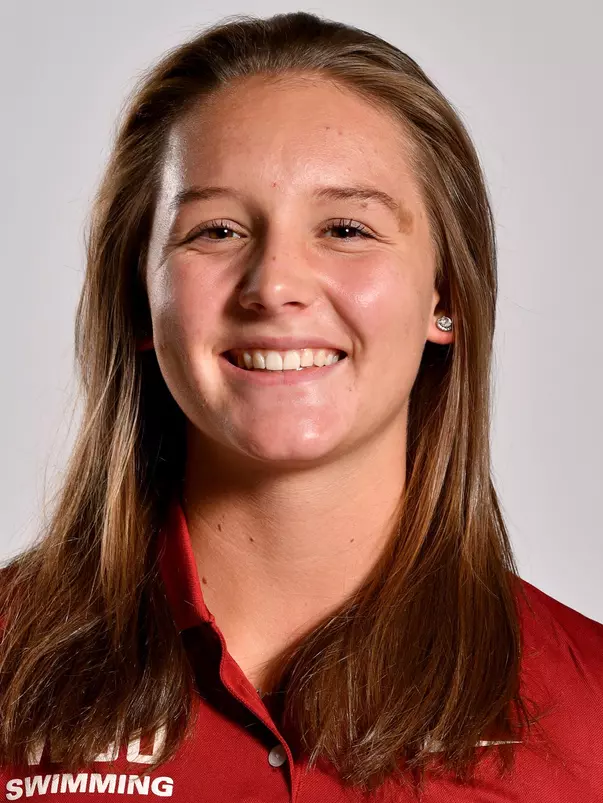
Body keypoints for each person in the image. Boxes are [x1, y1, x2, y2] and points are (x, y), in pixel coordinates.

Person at [0, 10, 601, 802]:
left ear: (444, 295)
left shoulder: (589, 713)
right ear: (140, 301)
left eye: (346, 228)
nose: (275, 284)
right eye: (214, 230)